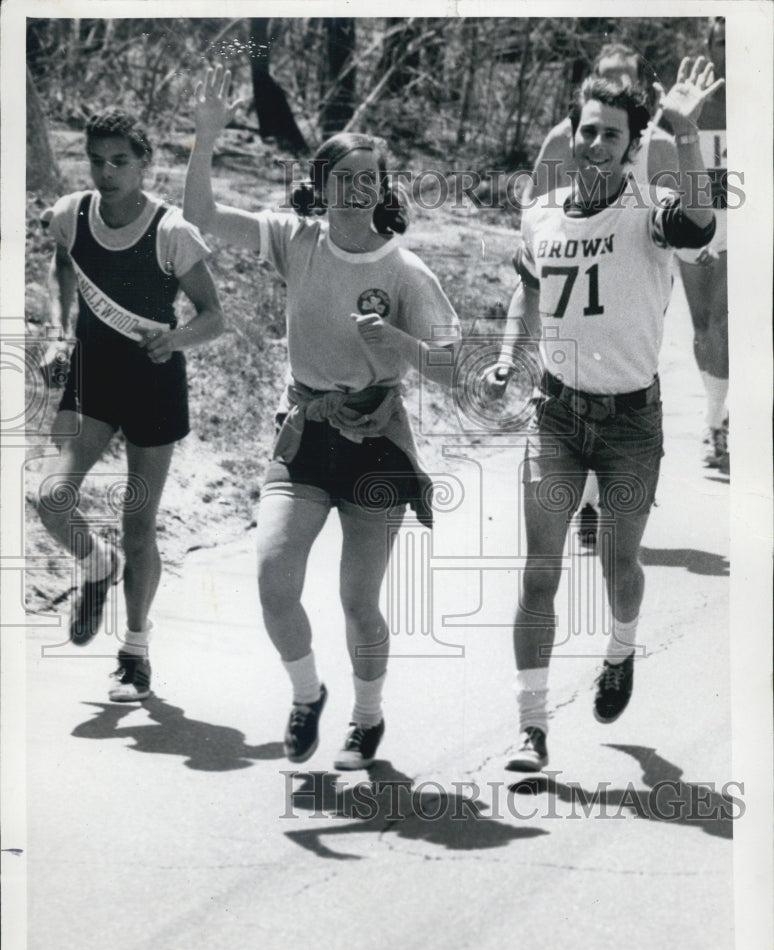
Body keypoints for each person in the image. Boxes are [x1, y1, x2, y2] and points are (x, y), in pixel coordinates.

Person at [184, 66, 460, 770]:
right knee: (275, 578)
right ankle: (308, 696)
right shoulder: (296, 240)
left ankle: (367, 719)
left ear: (384, 188)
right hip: (305, 433)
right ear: (322, 182)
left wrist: (396, 345)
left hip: (373, 446)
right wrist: (206, 139)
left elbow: (453, 369)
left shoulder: (407, 273)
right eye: (346, 177)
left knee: (357, 601)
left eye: (372, 178)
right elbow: (205, 220)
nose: (358, 189)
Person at [486, 58, 722, 771]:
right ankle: (531, 727)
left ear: (630, 145)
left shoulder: (651, 214)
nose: (594, 145)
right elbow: (528, 289)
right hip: (555, 414)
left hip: (629, 421)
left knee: (621, 566)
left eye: (610, 135)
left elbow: (701, 224)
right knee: (538, 573)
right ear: (572, 133)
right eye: (586, 131)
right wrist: (507, 351)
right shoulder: (542, 215)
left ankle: (620, 650)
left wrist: (684, 138)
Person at [37, 109, 224, 701]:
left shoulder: (172, 231)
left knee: (138, 527)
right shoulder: (71, 214)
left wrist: (175, 340)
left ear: (144, 163)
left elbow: (214, 316)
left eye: (120, 161)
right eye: (96, 159)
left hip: (151, 384)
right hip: (92, 380)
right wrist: (56, 330)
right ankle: (96, 566)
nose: (107, 171)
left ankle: (135, 654)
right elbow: (64, 267)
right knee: (49, 498)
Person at [522, 42, 681, 549]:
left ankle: (607, 490)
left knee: (618, 349)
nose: (597, 140)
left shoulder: (657, 144)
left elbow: (678, 215)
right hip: (574, 260)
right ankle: (588, 501)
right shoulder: (561, 138)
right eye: (606, 73)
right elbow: (539, 207)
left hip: (636, 257)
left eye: (627, 77)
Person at [675, 18, 729, 473]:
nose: (732, 50)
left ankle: (716, 426)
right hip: (702, 223)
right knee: (704, 328)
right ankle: (718, 409)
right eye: (723, 42)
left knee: (725, 321)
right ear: (710, 47)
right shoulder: (698, 101)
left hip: (745, 227)